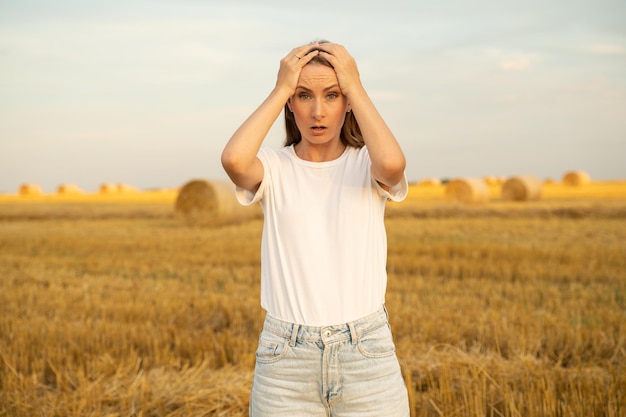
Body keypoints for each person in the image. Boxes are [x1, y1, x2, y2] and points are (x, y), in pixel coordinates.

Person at [221, 41, 410, 417]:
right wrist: (280, 88)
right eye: (304, 95)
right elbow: (234, 160)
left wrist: (355, 85)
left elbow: (392, 164)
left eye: (333, 95)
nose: (318, 111)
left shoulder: (365, 166)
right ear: (291, 104)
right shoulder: (274, 167)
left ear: (348, 102)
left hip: (367, 355)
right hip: (285, 361)